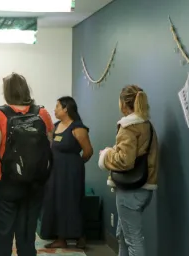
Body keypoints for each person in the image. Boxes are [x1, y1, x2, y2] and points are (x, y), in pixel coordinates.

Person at [0, 72, 54, 256]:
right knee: (27, 237)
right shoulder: (42, 113)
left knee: (3, 235)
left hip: (3, 182)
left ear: (6, 92)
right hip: (34, 183)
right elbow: (48, 147)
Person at [98, 85, 158, 256]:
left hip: (130, 192)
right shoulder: (146, 125)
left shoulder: (129, 126)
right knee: (123, 235)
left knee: (133, 239)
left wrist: (106, 155)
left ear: (124, 103)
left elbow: (124, 160)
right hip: (143, 188)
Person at [40, 96, 93, 249]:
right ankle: (60, 237)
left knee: (72, 201)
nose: (55, 109)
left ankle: (80, 235)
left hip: (72, 172)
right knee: (56, 201)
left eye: (57, 106)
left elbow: (88, 151)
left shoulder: (78, 128)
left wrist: (76, 164)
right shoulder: (56, 127)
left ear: (66, 109)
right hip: (55, 171)